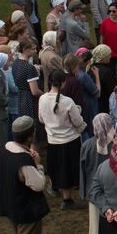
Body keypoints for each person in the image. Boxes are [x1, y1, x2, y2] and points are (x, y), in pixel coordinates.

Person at [0, 116, 52, 234]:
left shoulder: (3, 150)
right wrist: (38, 165)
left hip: (9, 203)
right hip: (26, 208)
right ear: (31, 135)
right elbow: (38, 184)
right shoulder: (24, 161)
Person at [38, 71, 85, 207]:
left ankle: (55, 187)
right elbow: (77, 121)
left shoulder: (43, 99)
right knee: (67, 170)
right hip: (69, 140)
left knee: (57, 167)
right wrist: (78, 110)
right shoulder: (68, 101)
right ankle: (67, 199)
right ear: (63, 83)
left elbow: (41, 119)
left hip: (53, 140)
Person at [10, 37, 41, 124]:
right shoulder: (29, 68)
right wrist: (44, 94)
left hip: (20, 97)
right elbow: (34, 91)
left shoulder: (15, 63)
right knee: (31, 123)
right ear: (24, 49)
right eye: (33, 49)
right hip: (29, 100)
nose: (35, 51)